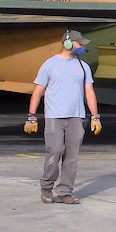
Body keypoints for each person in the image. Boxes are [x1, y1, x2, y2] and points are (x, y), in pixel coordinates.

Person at [24, 30, 101, 204]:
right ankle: (46, 187)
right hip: (54, 117)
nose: (82, 46)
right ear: (67, 43)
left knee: (71, 157)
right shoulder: (50, 65)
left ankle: (65, 192)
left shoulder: (83, 66)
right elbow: (38, 91)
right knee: (55, 151)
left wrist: (95, 116)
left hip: (76, 117)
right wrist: (31, 116)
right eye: (79, 43)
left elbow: (89, 92)